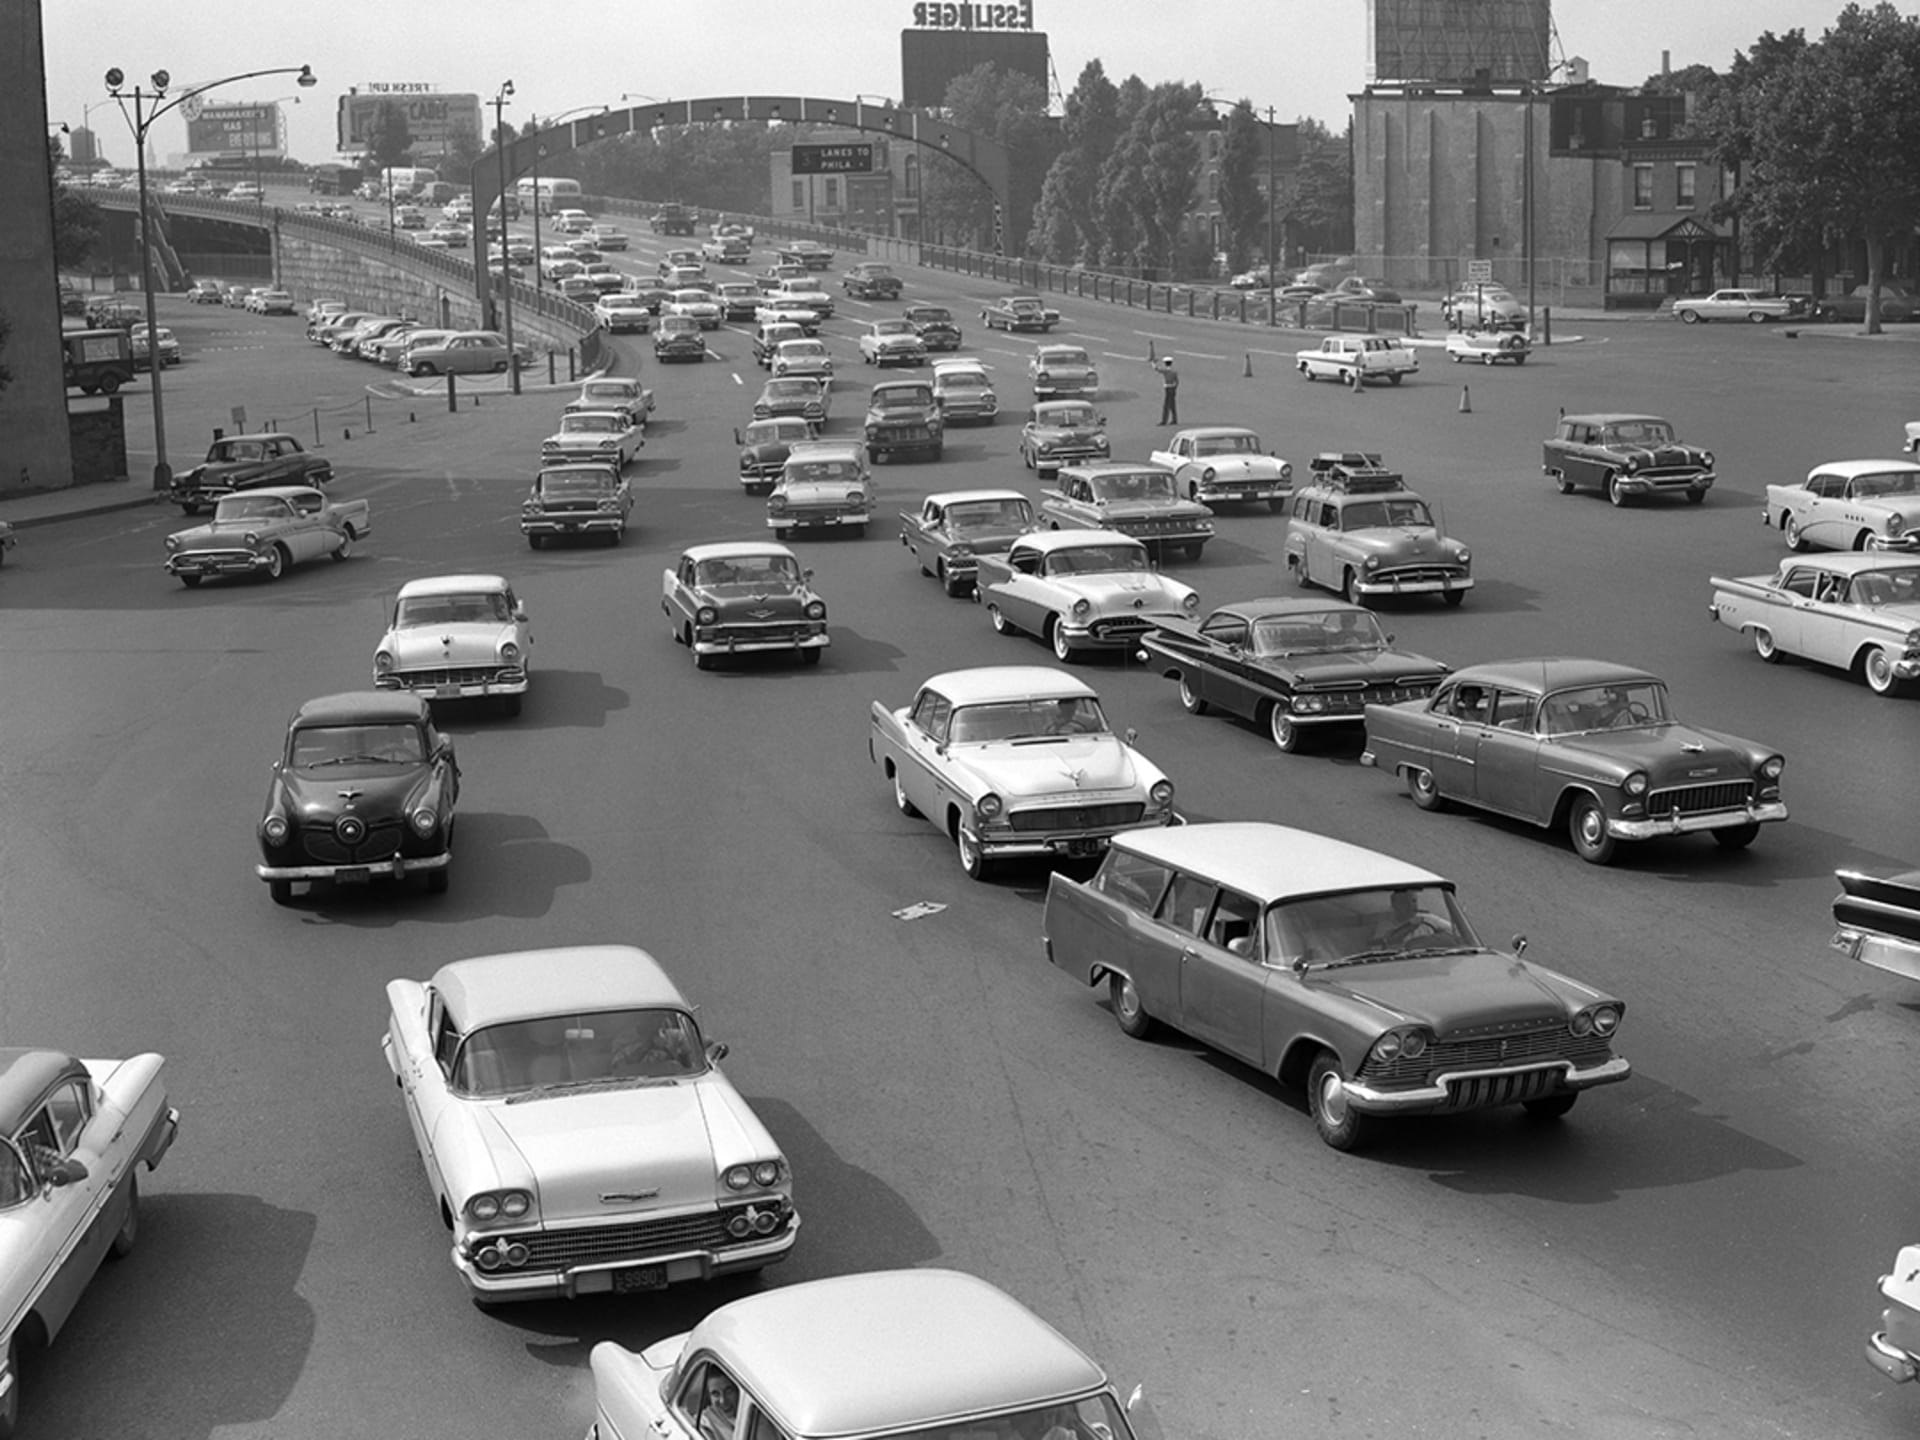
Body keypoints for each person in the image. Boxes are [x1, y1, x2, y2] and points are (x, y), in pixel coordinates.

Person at [698, 1371, 739, 1440]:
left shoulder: (753, 1412)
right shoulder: (706, 1423)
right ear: (709, 1397)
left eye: (728, 1391)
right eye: (715, 1394)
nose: (723, 1401)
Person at [1157, 356, 1179, 424]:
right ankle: (1174, 419)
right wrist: (1175, 388)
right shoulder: (1174, 371)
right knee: (1172, 405)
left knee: (1166, 405)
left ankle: (1164, 420)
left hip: (1167, 388)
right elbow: (1177, 381)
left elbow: (1157, 369)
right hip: (1173, 387)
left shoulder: (1166, 371)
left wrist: (1153, 362)